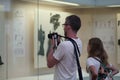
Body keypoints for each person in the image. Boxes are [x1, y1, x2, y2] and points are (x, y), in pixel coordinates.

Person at [47, 15, 82, 80]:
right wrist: (59, 44)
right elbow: (66, 58)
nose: (63, 28)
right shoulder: (79, 42)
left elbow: (49, 64)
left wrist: (53, 45)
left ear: (68, 27)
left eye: (64, 25)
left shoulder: (64, 45)